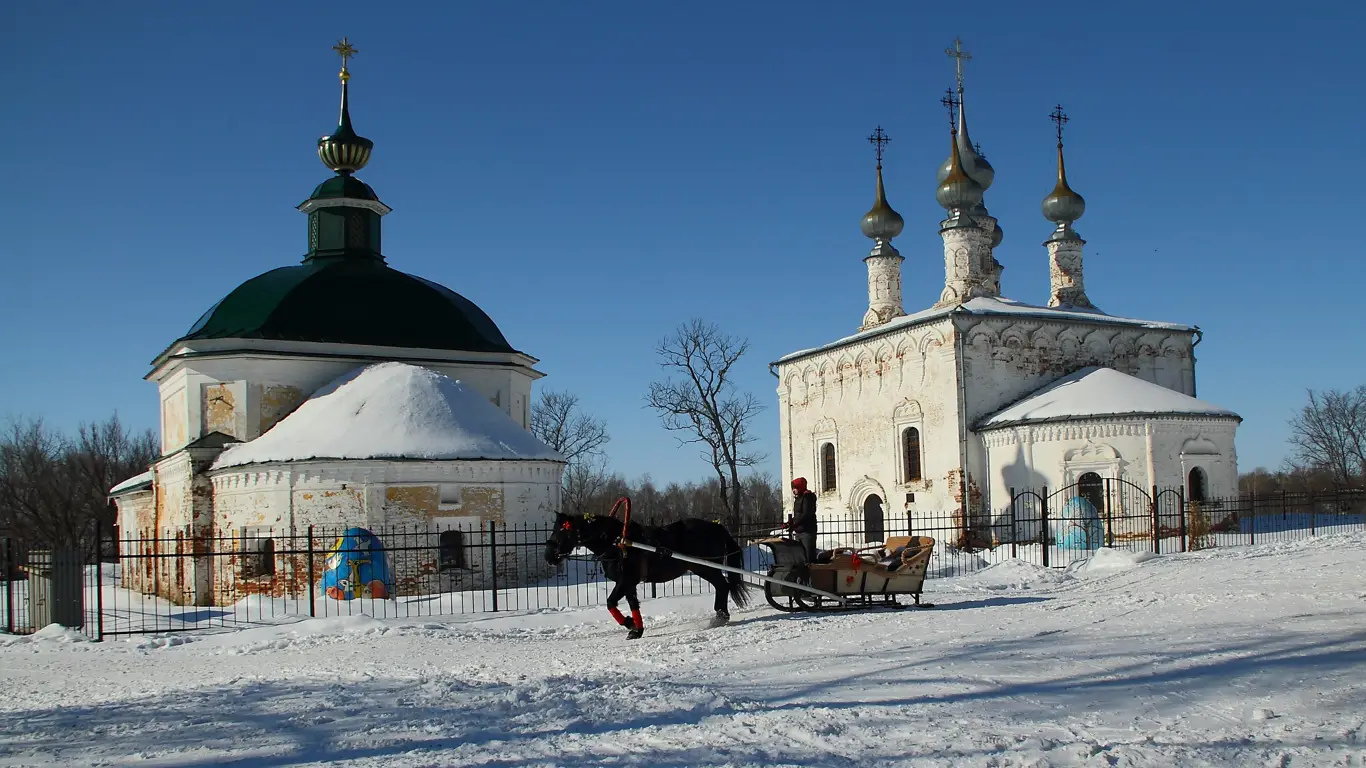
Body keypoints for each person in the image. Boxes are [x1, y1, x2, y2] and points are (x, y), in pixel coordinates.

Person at [786, 477, 818, 563]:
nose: (793, 490)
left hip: (807, 531)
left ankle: (811, 575)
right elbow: (798, 515)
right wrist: (790, 522)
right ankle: (803, 575)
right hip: (799, 531)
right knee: (800, 557)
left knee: (808, 556)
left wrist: (795, 524)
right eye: (792, 488)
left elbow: (806, 514)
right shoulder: (798, 498)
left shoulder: (808, 497)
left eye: (795, 488)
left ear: (800, 487)